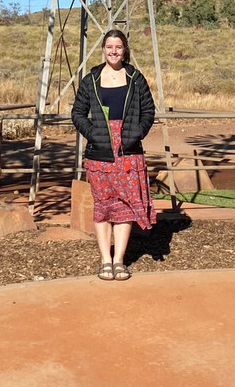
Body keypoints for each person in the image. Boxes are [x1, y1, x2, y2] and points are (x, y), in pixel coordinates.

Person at [70, 28, 157, 281]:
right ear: (103, 49)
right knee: (103, 206)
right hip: (100, 153)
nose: (114, 51)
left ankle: (119, 260)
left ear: (124, 49)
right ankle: (105, 260)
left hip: (129, 152)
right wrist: (94, 133)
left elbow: (148, 111)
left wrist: (135, 134)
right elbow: (77, 113)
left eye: (118, 47)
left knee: (125, 207)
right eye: (109, 47)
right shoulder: (92, 79)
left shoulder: (135, 78)